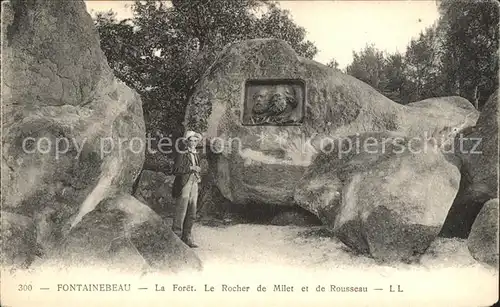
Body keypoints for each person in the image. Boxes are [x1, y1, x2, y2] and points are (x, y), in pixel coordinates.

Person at [171, 130, 202, 248]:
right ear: (187, 142)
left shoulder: (196, 154)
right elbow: (176, 170)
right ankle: (176, 238)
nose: (194, 143)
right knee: (181, 210)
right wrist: (191, 167)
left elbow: (198, 168)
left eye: (195, 141)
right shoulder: (182, 153)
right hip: (184, 184)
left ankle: (187, 237)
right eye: (191, 140)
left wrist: (198, 174)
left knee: (192, 211)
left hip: (194, 183)